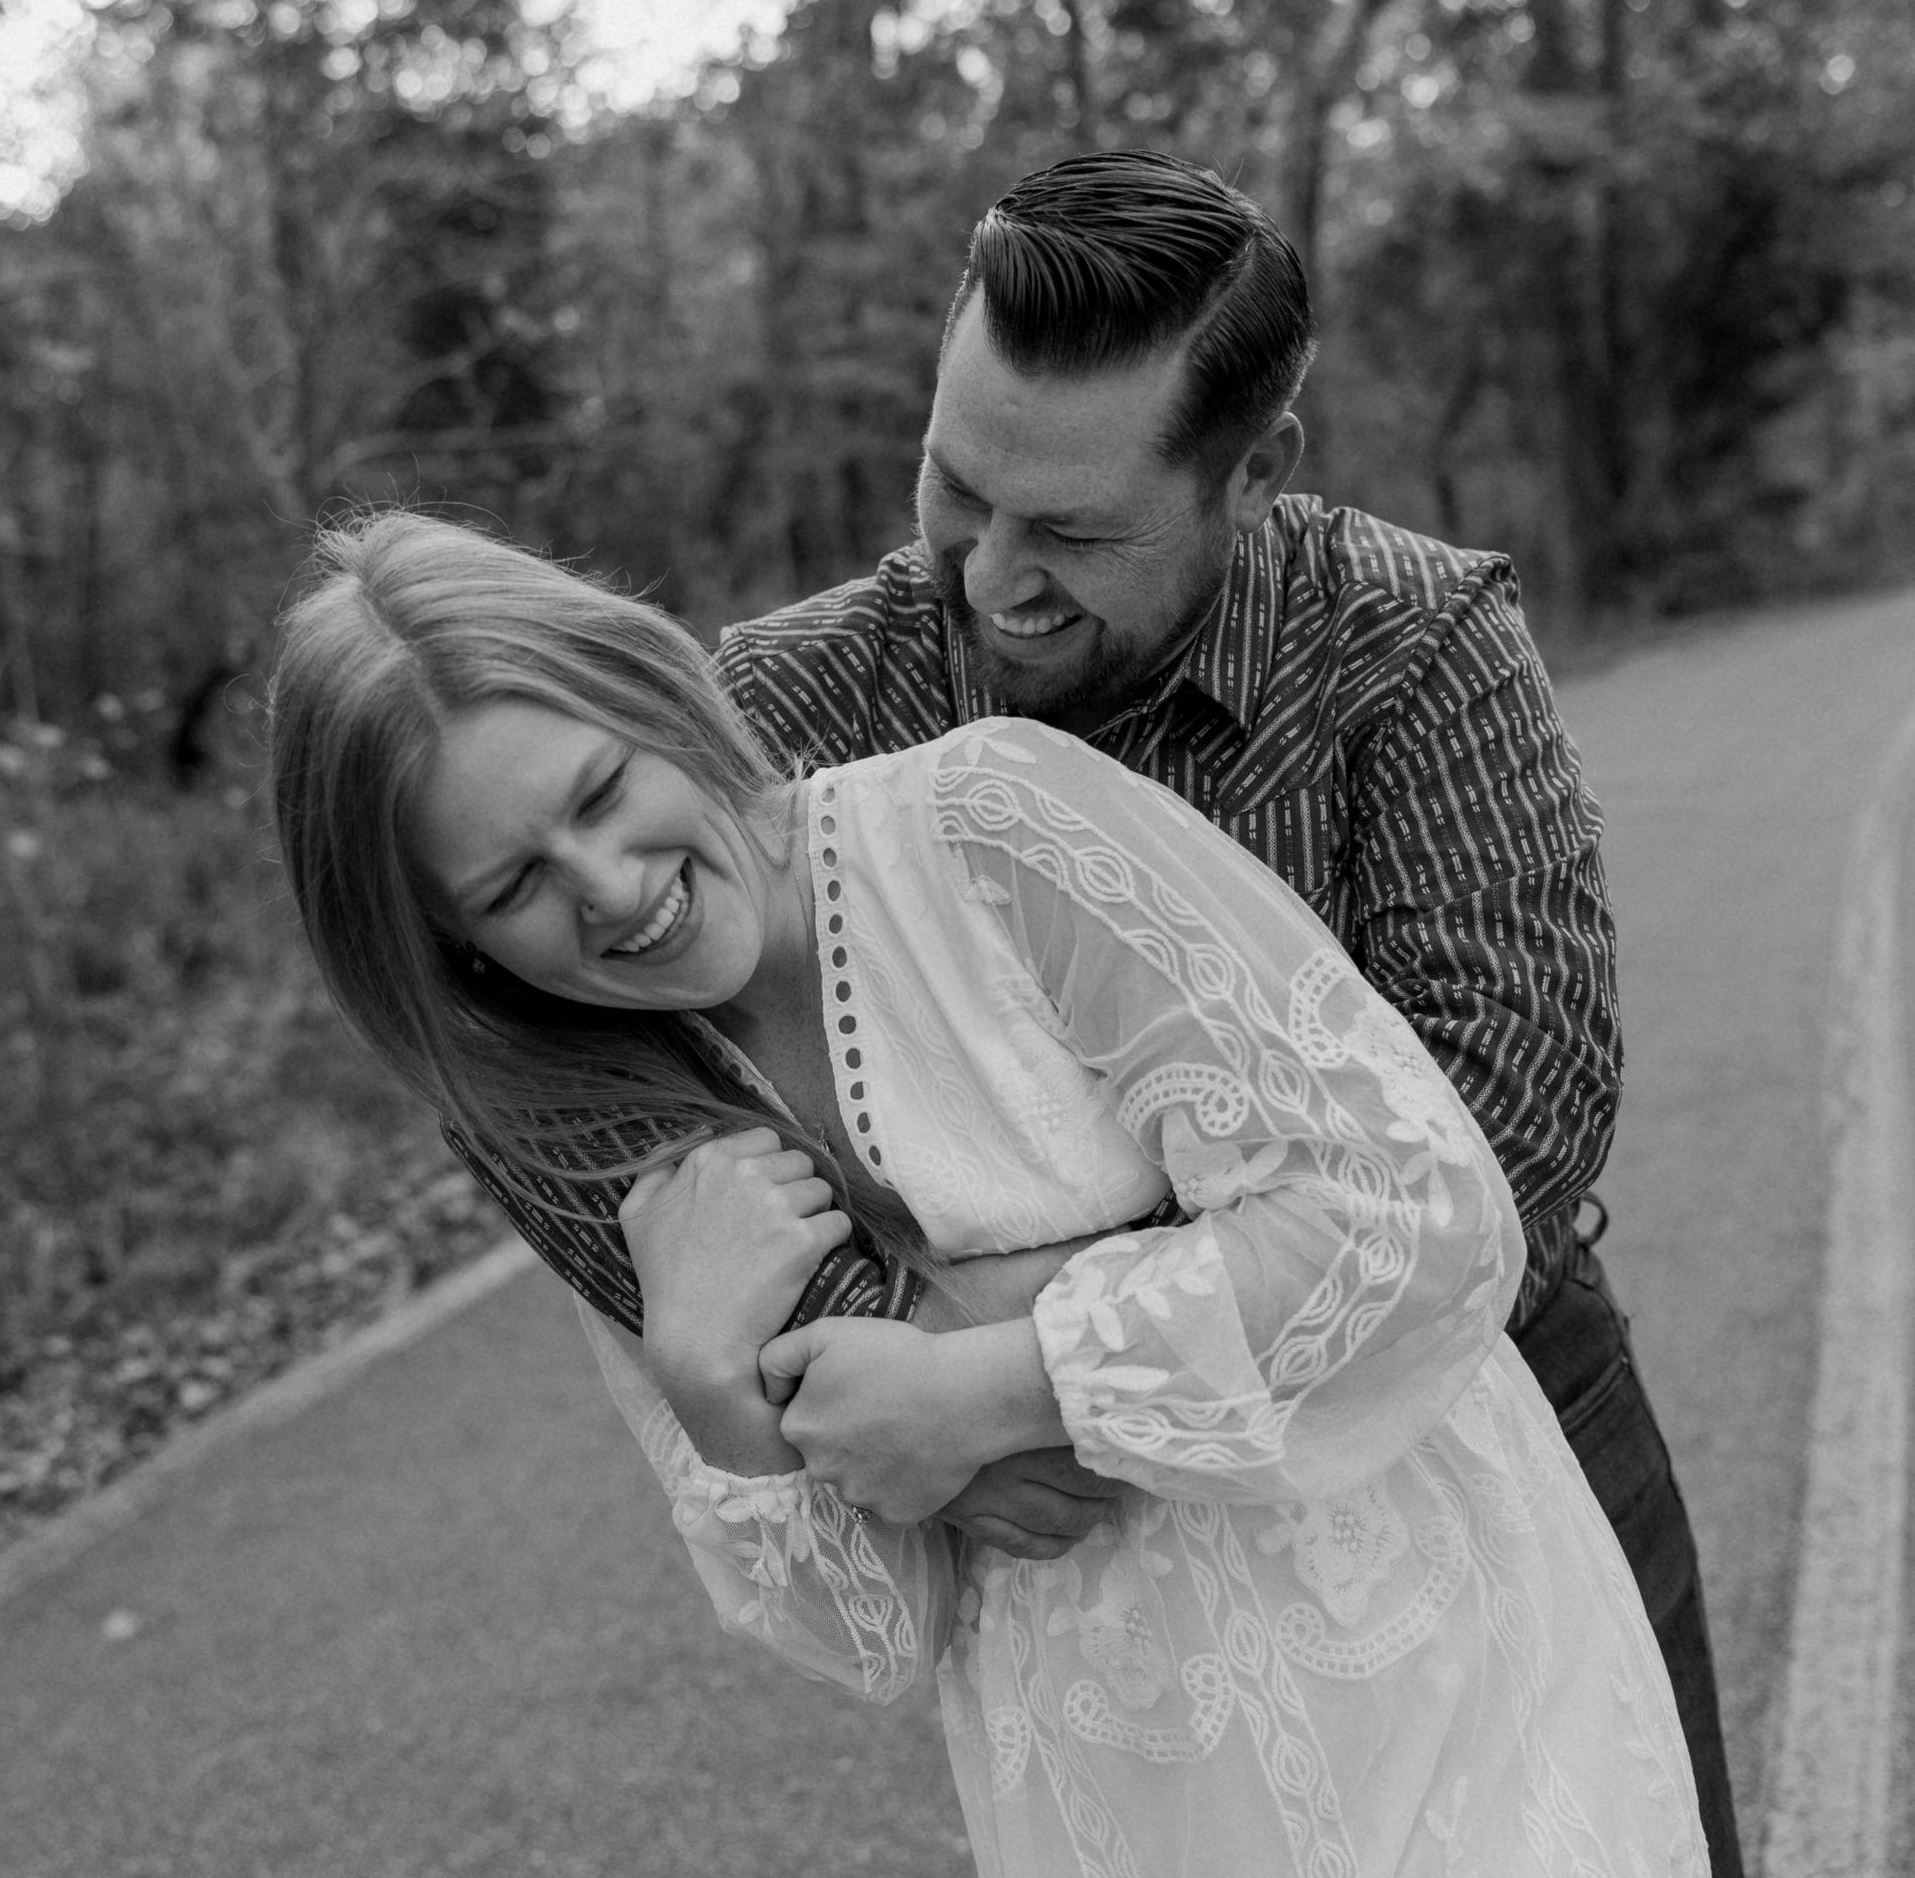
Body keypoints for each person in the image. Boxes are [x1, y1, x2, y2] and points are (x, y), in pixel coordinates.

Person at [444, 150, 1743, 1869]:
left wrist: (998, 1375)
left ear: (1253, 472)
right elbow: (581, 1107)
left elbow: (1506, 1109)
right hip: (1086, 1599)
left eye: (1069, 532)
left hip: (1478, 1415)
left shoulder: (1413, 642)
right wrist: (895, 1402)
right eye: (956, 487)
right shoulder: (788, 701)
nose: (990, 578)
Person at [268, 509, 1708, 1876]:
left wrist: (985, 1386)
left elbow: (1410, 1212)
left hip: (1443, 1676)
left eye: (599, 793)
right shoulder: (632, 1165)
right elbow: (882, 1638)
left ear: (657, 702)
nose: (605, 884)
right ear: (457, 949)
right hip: (1111, 1792)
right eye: (513, 887)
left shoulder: (989, 826)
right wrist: (713, 1391)